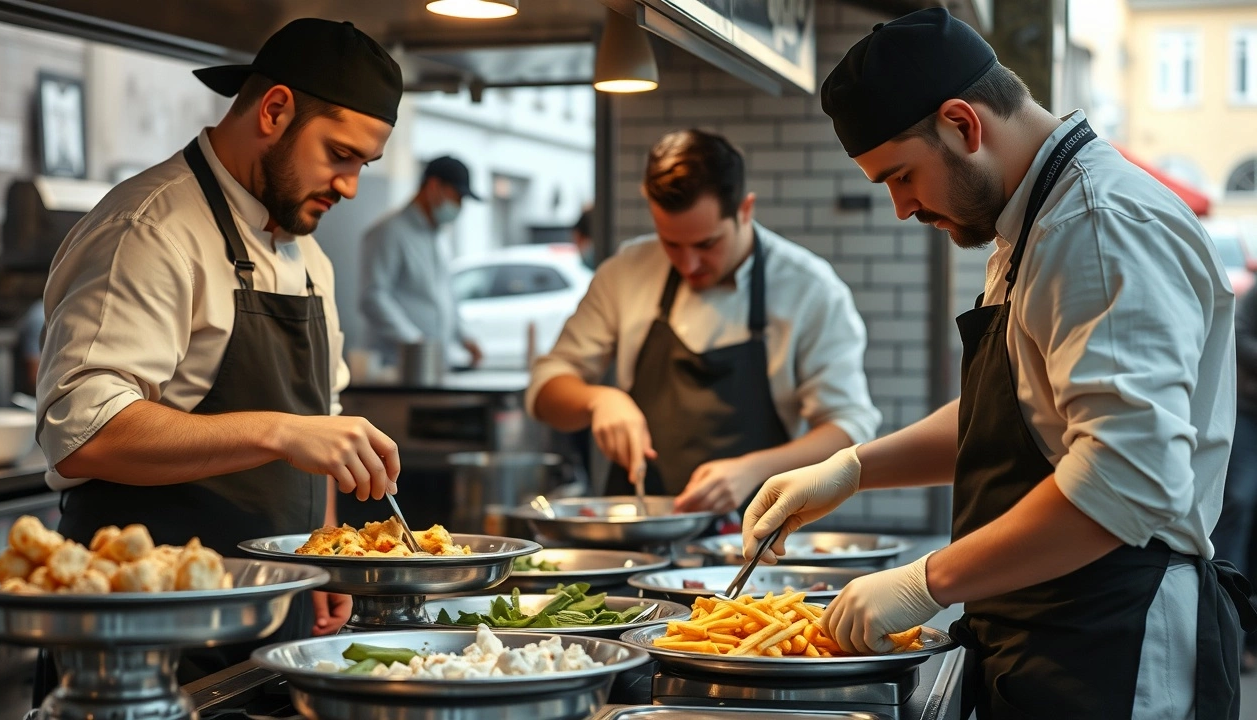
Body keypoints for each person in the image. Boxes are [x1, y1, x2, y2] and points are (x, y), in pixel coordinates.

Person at [741, 9, 1255, 719]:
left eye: (902, 176)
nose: (900, 208)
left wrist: (927, 579)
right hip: (1044, 626)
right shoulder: (1034, 224)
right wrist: (854, 469)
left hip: (1116, 643)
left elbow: (1124, 481)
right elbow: (1018, 410)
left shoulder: (1098, 226)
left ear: (962, 124)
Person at [35, 18, 404, 680]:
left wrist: (324, 553)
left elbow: (319, 423)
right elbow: (82, 433)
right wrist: (279, 432)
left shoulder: (307, 255)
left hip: (272, 617)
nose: (350, 185)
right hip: (146, 629)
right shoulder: (148, 230)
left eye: (362, 165)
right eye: (340, 155)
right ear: (275, 109)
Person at [528, 129, 879, 518]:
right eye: (671, 244)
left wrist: (755, 470)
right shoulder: (626, 272)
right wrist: (598, 400)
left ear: (745, 210)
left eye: (706, 244)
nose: (688, 264)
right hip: (637, 534)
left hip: (756, 542)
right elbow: (546, 390)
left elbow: (849, 427)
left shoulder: (809, 289)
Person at [360, 155, 483, 370]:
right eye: (457, 197)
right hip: (396, 367)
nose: (459, 206)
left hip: (433, 365)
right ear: (434, 187)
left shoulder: (437, 237)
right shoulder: (389, 233)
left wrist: (464, 337)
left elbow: (445, 297)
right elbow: (373, 298)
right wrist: (415, 342)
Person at [1215, 277, 1257, 672]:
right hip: (1248, 417)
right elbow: (1241, 338)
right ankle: (1229, 636)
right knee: (1238, 504)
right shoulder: (1255, 294)